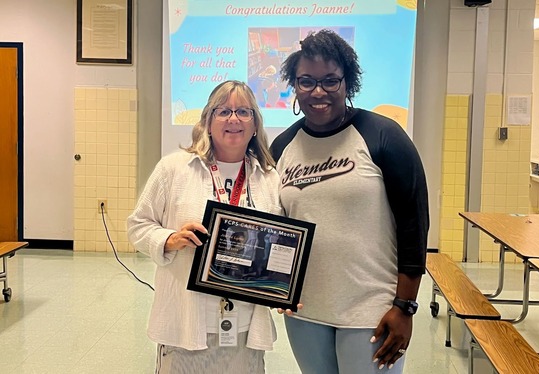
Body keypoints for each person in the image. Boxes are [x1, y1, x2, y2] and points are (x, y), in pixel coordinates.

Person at [270, 29, 429, 373]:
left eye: (330, 81)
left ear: (347, 82)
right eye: (306, 82)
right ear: (294, 86)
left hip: (371, 311)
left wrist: (405, 307)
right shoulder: (283, 146)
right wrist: (272, 286)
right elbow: (276, 228)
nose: (318, 92)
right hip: (305, 311)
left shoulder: (383, 135)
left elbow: (414, 225)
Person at [128, 80, 281, 374]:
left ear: (254, 124)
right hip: (185, 321)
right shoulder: (174, 168)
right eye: (224, 111)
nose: (234, 119)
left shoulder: (269, 178)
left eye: (243, 112)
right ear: (208, 122)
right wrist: (170, 239)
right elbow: (138, 225)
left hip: (245, 325)